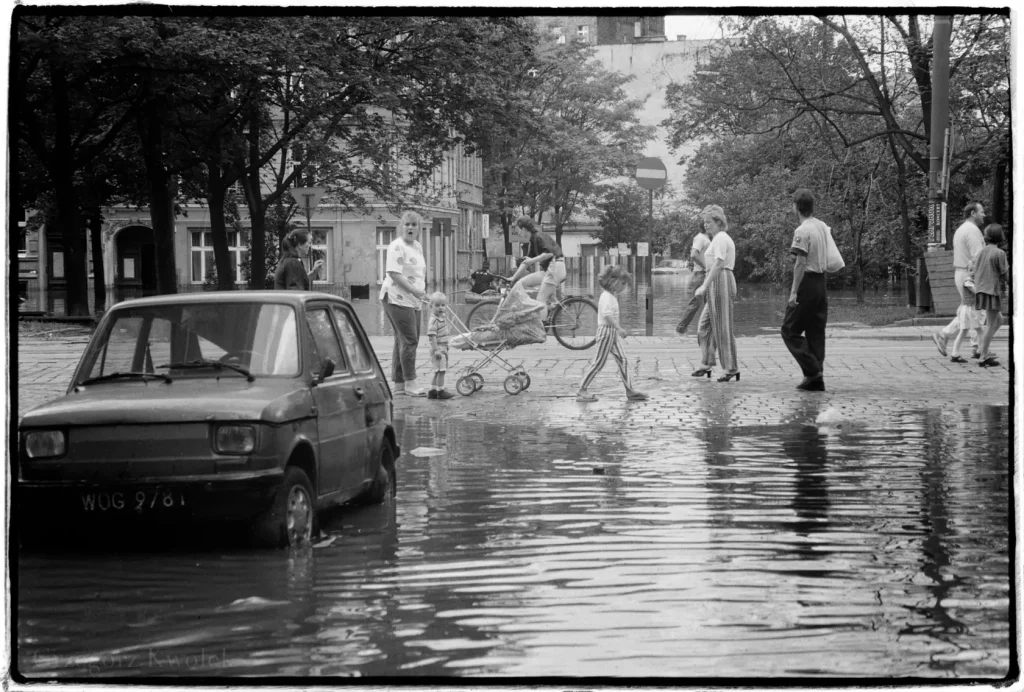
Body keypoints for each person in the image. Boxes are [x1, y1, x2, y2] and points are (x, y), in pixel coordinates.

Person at [780, 188, 832, 391]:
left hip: (808, 282)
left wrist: (794, 292)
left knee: (789, 329)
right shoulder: (821, 226)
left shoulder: (802, 231)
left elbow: (800, 263)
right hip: (822, 282)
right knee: (815, 330)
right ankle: (815, 379)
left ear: (796, 207)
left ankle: (812, 370)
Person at [576, 265, 648, 403]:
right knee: (599, 362)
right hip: (606, 331)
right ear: (613, 281)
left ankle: (630, 390)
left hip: (611, 333)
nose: (624, 286)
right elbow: (606, 314)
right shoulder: (606, 297)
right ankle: (582, 389)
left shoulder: (611, 296)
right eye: (622, 283)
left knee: (623, 360)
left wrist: (616, 329)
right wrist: (619, 328)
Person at [380, 210, 428, 396]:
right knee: (410, 339)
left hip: (414, 299)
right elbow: (394, 272)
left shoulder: (417, 246)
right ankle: (410, 382)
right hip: (396, 297)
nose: (410, 227)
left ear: (419, 229)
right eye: (407, 224)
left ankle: (399, 383)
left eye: (414, 225)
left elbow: (418, 273)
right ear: (401, 227)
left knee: (402, 339)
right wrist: (414, 290)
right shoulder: (396, 246)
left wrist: (422, 292)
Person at [692, 205, 739, 382]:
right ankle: (707, 362)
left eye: (709, 222)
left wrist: (704, 285)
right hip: (716, 281)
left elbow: (719, 264)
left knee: (723, 327)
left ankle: (731, 367)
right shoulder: (716, 239)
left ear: (718, 222)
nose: (706, 225)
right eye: (704, 222)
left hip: (722, 280)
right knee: (704, 326)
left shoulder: (720, 238)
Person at [932, 202, 986, 359]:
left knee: (971, 310)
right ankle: (946, 335)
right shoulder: (973, 231)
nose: (984, 215)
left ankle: (976, 346)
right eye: (981, 211)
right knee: (976, 311)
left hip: (961, 273)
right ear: (972, 213)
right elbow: (978, 256)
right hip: (969, 275)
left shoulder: (962, 229)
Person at [507, 216, 565, 320]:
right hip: (548, 270)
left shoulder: (539, 236)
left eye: (519, 230)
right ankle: (547, 308)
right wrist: (514, 278)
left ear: (524, 229)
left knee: (541, 298)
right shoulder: (532, 240)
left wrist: (532, 260)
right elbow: (526, 262)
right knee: (521, 283)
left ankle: (541, 329)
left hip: (555, 267)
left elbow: (549, 253)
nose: (519, 233)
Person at [970, 224, 1008, 368]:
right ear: (1000, 236)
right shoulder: (999, 253)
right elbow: (1005, 274)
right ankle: (983, 356)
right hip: (991, 291)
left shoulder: (980, 252)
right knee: (992, 324)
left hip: (981, 290)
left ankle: (982, 348)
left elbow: (974, 270)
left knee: (999, 320)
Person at [675, 224, 712, 334]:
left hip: (704, 274)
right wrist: (707, 267)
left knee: (709, 303)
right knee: (696, 303)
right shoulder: (700, 238)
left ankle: (709, 330)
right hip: (701, 274)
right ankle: (681, 328)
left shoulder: (706, 238)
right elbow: (693, 254)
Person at [948, 266, 982, 364]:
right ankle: (982, 352)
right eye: (970, 270)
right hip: (970, 310)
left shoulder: (974, 281)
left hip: (967, 309)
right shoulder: (968, 282)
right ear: (967, 271)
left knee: (964, 332)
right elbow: (976, 292)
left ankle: (955, 354)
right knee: (980, 331)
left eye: (975, 269)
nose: (972, 272)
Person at [425, 292, 455, 399]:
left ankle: (432, 390)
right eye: (437, 305)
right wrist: (436, 350)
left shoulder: (441, 318)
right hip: (438, 348)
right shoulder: (434, 321)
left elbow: (445, 331)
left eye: (443, 305)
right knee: (441, 371)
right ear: (431, 307)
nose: (440, 308)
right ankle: (440, 391)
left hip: (443, 347)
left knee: (437, 371)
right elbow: (433, 336)